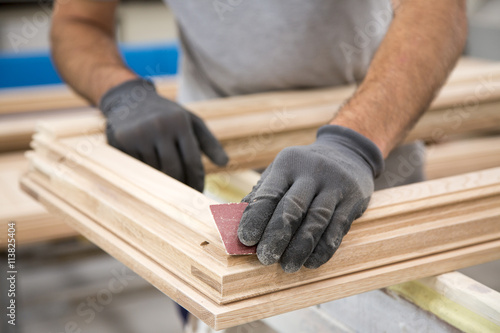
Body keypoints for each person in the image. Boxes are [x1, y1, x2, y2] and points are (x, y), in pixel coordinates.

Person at [50, 0, 467, 274]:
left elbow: (436, 10)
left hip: (363, 169)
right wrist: (121, 93)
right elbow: (77, 21)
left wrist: (355, 141)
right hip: (205, 171)